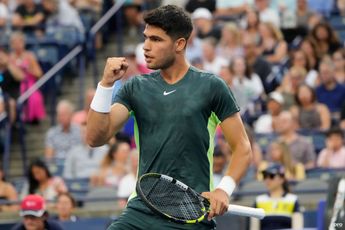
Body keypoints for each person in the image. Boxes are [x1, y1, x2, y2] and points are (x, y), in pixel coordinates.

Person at [86, 5, 252, 230]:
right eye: (145, 38)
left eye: (156, 39)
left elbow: (242, 148)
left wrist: (224, 189)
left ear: (179, 44)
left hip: (191, 212)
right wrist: (105, 85)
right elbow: (95, 138)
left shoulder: (212, 86)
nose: (146, 46)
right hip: (141, 210)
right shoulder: (136, 87)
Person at [250, 163, 303, 230]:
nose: (267, 179)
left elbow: (297, 227)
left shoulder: (293, 200)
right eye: (265, 176)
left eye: (271, 176)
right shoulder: (259, 200)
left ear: (282, 179)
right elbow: (254, 228)